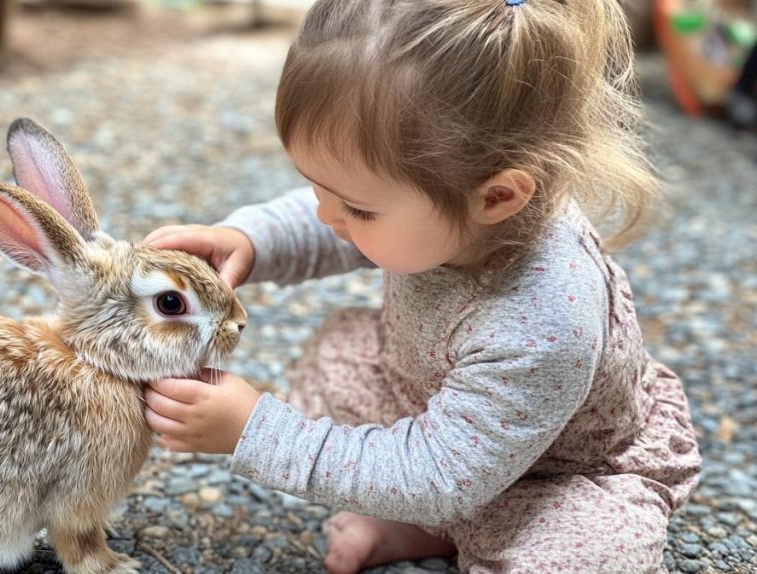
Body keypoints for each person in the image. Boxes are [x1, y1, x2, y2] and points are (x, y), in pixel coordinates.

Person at [141, 0, 702, 572]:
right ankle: (424, 526)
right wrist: (252, 239)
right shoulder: (447, 210)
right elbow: (342, 220)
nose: (327, 216)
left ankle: (435, 519)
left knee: (582, 554)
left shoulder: (547, 321)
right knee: (338, 357)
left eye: (356, 208)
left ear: (497, 197)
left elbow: (439, 473)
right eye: (317, 187)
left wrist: (254, 431)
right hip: (434, 411)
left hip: (559, 474)